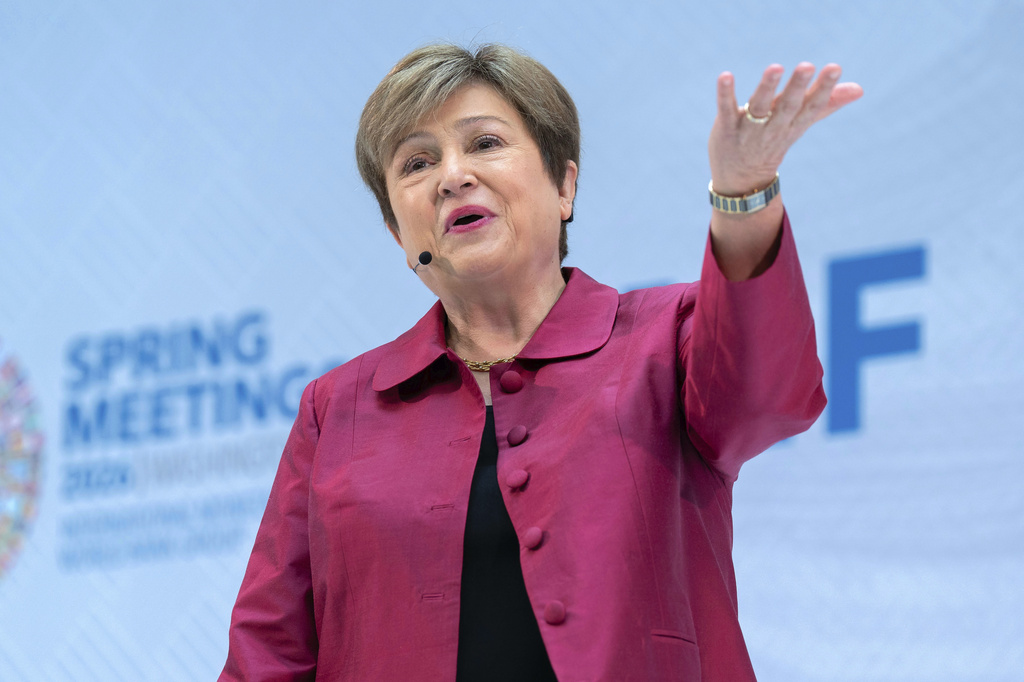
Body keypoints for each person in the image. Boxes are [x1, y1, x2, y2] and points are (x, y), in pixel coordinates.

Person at [220, 43, 862, 681]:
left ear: (564, 185)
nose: (452, 176)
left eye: (484, 144)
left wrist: (744, 194)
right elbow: (268, 652)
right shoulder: (337, 409)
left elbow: (771, 396)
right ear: (399, 232)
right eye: (417, 162)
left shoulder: (665, 339)